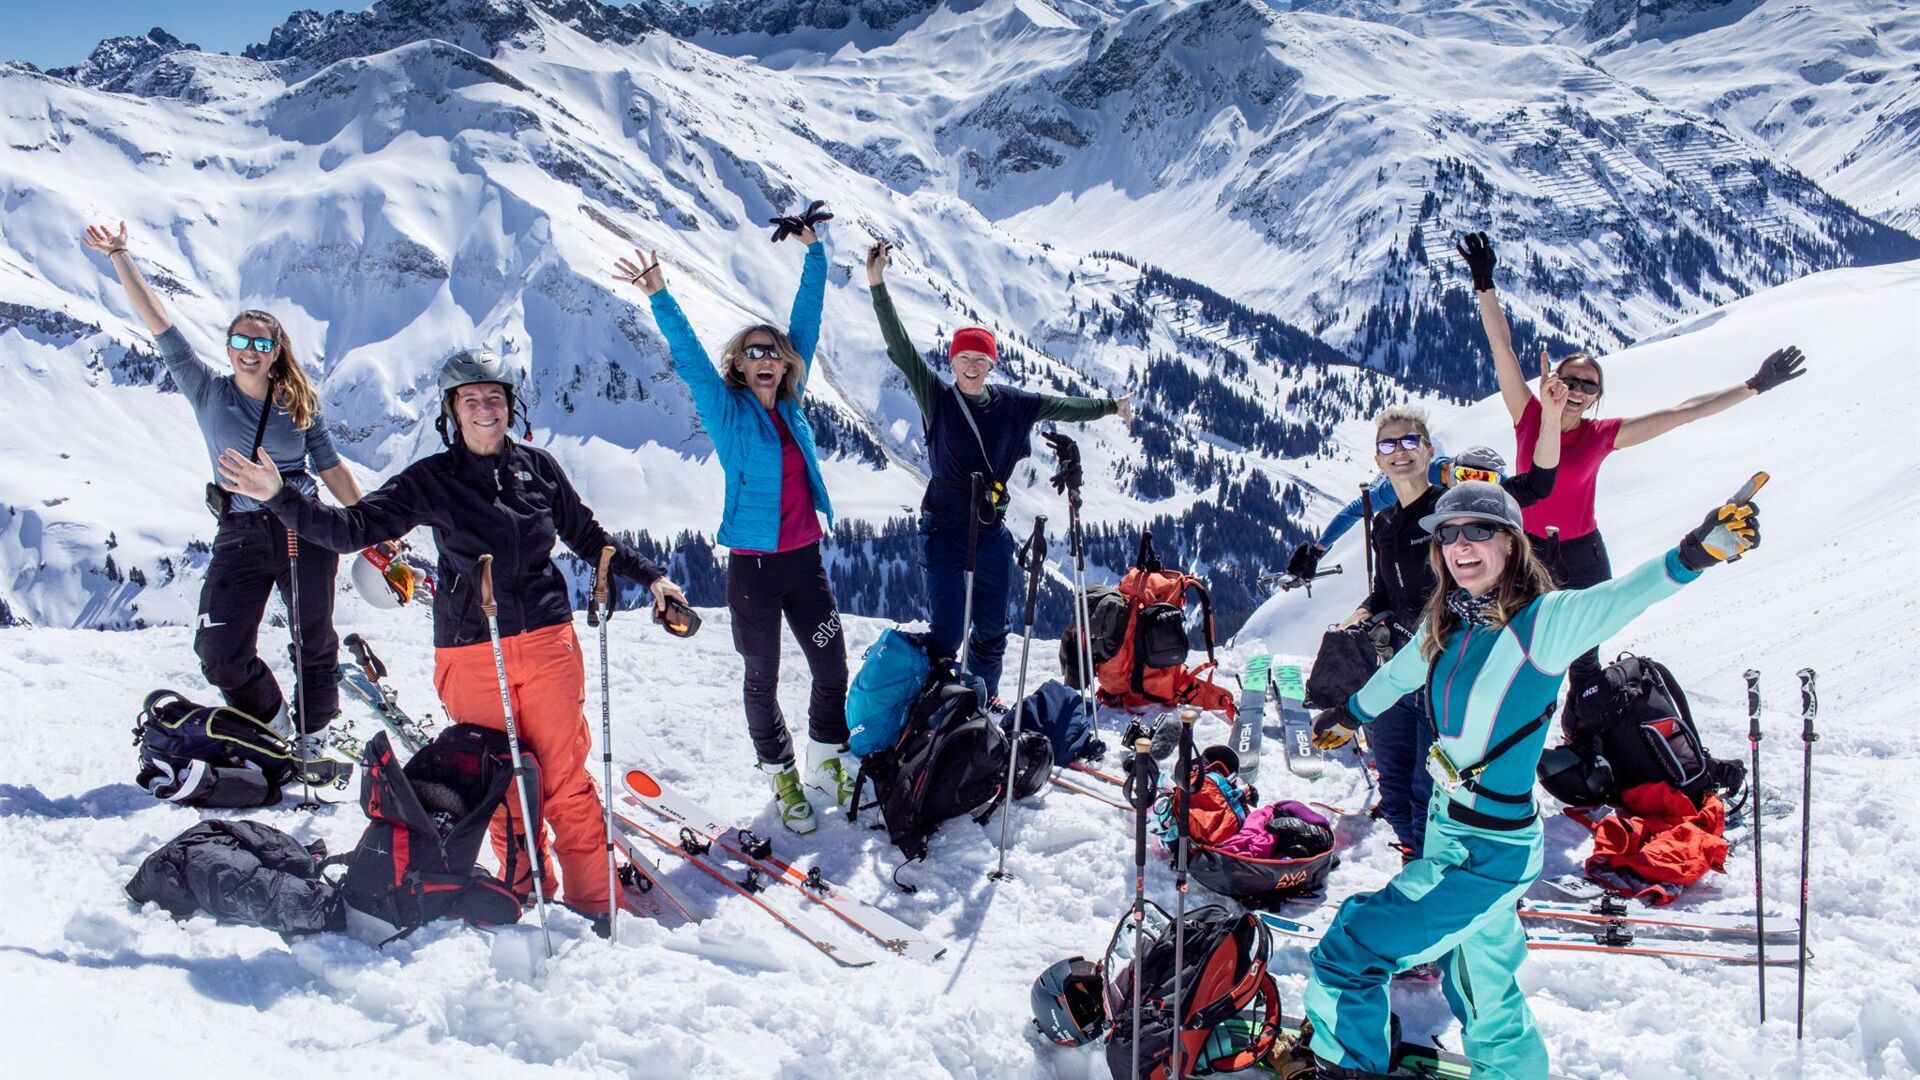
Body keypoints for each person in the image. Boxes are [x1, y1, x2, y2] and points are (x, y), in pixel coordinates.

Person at [1296, 479, 1763, 1079]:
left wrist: (1696, 553)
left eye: (1479, 530)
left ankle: (1347, 1068)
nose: (1461, 545)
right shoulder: (1448, 622)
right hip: (1450, 829)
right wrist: (1349, 715)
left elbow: (1625, 595)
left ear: (1512, 543)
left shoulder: (1546, 623)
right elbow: (1400, 675)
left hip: (1487, 852)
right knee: (1483, 983)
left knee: (1351, 952)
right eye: (1448, 535)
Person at [216, 349, 686, 926]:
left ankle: (595, 904)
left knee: (565, 780)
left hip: (547, 641)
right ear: (452, 411)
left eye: (494, 397)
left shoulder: (538, 469)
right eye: (470, 399)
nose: (484, 408)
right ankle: (527, 897)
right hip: (472, 650)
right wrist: (279, 496)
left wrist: (652, 578)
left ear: (510, 406)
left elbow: (589, 536)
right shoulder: (432, 479)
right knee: (502, 784)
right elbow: (350, 529)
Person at [1457, 229, 1806, 727]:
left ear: (1596, 397)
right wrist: (1484, 284)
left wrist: (1753, 386)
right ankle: (1508, 733)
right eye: (1570, 380)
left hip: (1582, 552)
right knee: (1518, 646)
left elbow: (1683, 412)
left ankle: (1584, 740)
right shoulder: (1529, 415)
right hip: (1525, 550)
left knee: (1584, 658)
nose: (1578, 390)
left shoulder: (1603, 435)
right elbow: (1501, 347)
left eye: (1589, 386)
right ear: (1554, 381)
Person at [83, 221, 363, 769]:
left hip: (302, 525)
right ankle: (275, 727)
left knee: (313, 640)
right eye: (241, 342)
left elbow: (330, 468)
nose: (249, 352)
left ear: (276, 351)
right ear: (229, 346)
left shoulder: (299, 405)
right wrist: (119, 256)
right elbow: (160, 325)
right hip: (240, 530)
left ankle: (314, 739)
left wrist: (368, 523)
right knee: (219, 652)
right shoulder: (208, 390)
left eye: (261, 344)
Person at [613, 226, 850, 834]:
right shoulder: (726, 411)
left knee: (831, 667)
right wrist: (659, 294)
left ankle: (827, 761)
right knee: (761, 676)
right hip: (754, 568)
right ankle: (783, 777)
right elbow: (691, 359)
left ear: (786, 363)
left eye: (774, 352)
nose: (766, 358)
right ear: (740, 367)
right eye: (754, 352)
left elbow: (807, 321)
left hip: (805, 562)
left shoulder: (792, 403)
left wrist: (815, 254)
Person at [865, 240, 1134, 705]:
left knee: (992, 630)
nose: (971, 367)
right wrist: (877, 285)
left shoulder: (1013, 404)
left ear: (991, 364)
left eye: (980, 360)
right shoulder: (937, 398)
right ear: (951, 362)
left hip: (990, 531)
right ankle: (930, 703)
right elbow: (901, 348)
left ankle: (981, 702)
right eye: (963, 359)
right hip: (944, 530)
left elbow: (1063, 405)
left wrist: (1110, 406)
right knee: (947, 634)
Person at [1331, 384, 1564, 859]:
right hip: (1397, 668)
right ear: (1377, 458)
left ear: (1428, 450)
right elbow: (1386, 591)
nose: (1399, 452)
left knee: (1431, 788)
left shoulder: (1456, 512)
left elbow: (1537, 487)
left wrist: (1552, 418)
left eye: (1409, 441)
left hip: (1446, 669)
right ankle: (1416, 862)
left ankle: (1439, 872)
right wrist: (1359, 615)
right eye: (1388, 444)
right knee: (1394, 782)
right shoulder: (1386, 522)